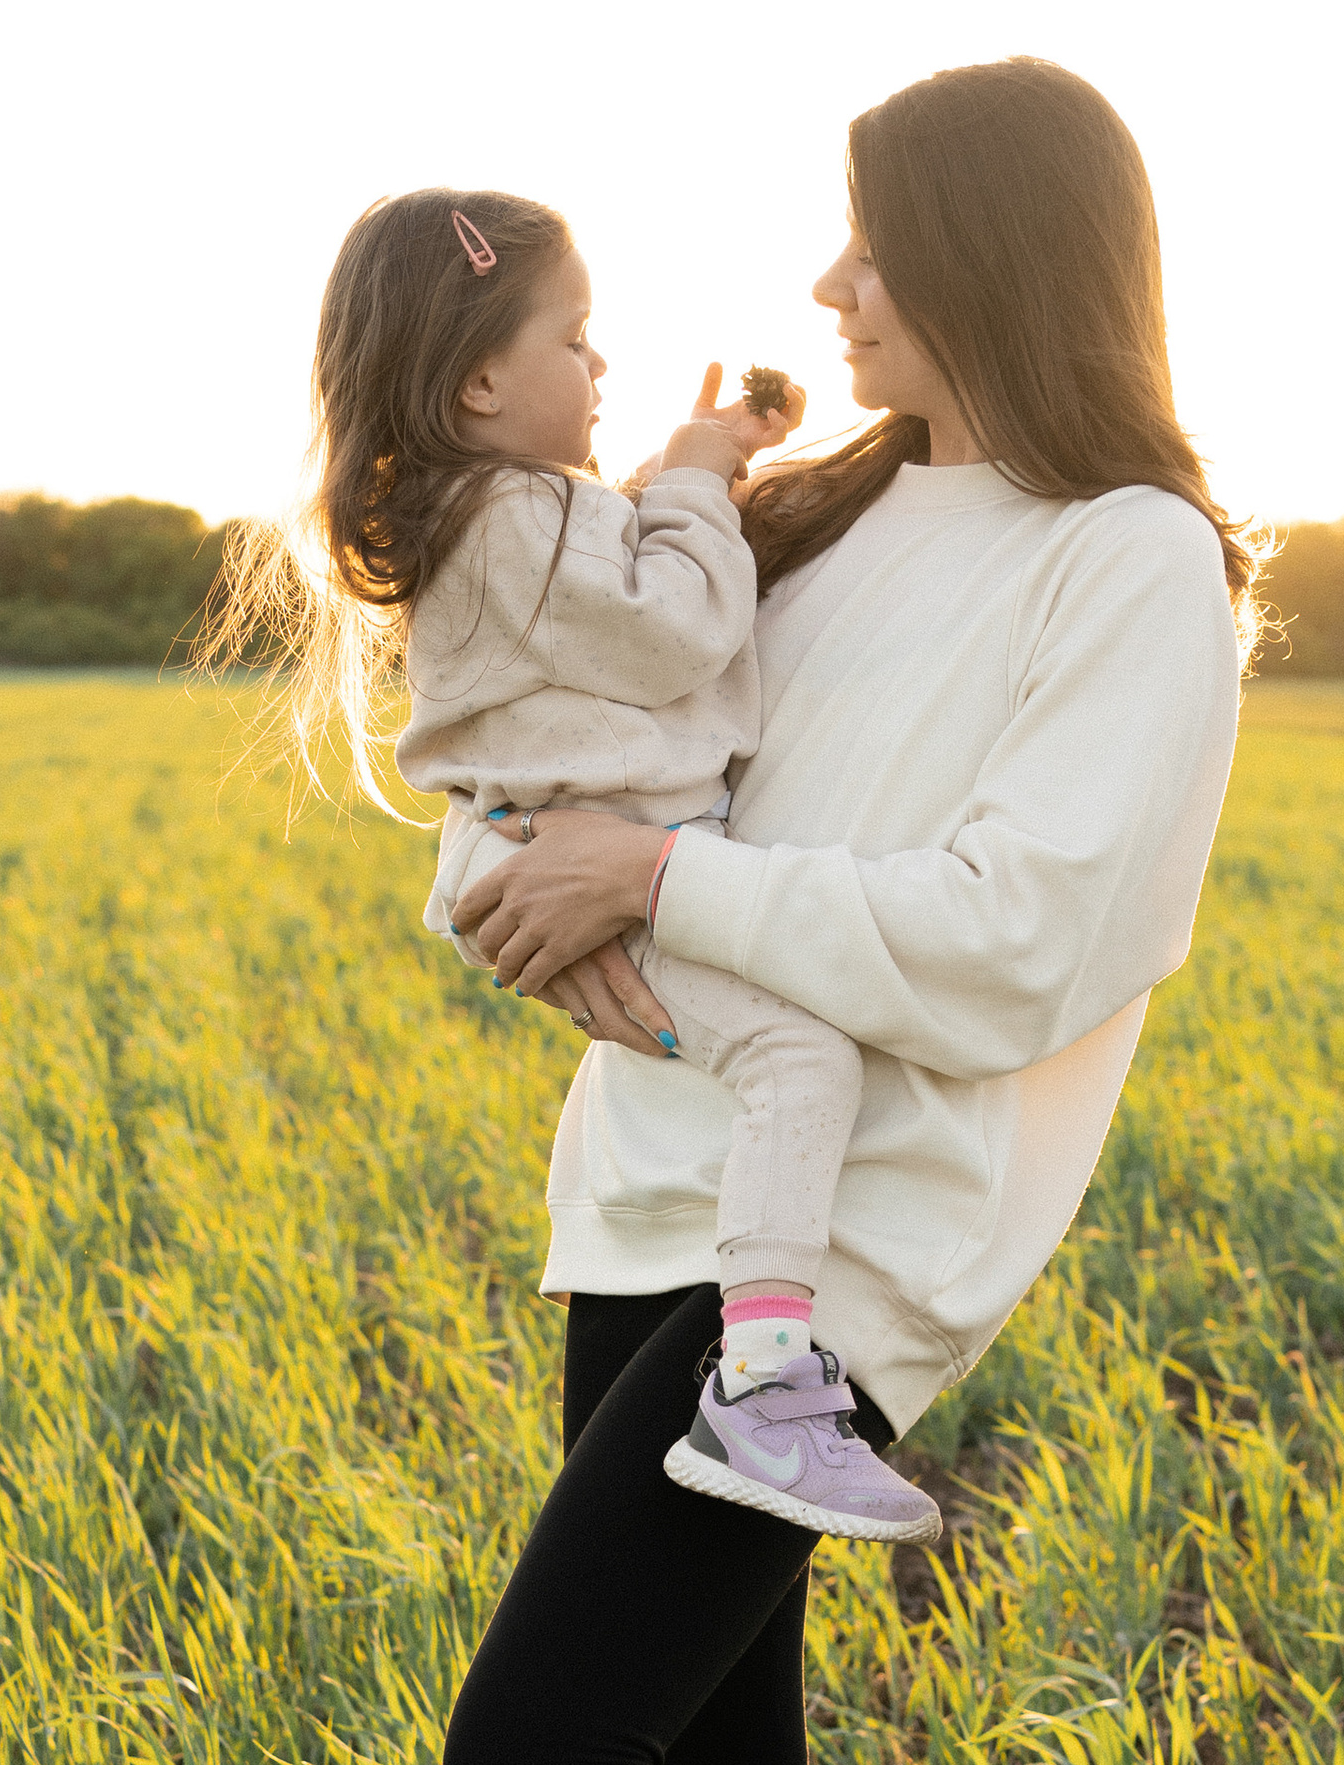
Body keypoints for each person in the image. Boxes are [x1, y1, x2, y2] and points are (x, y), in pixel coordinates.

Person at [435, 57, 1259, 1765]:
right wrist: (538, 851)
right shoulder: (839, 514)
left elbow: (1029, 932)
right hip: (641, 1186)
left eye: (872, 245)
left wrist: (662, 876)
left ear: (993, 254)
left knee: (534, 1760)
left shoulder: (1136, 563)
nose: (828, 289)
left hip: (841, 1255)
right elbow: (613, 750)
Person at [246, 181, 943, 1546]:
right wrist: (693, 480)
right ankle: (763, 1383)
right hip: (605, 862)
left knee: (779, 1063)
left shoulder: (492, 515)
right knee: (803, 1061)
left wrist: (701, 457)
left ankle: (756, 1365)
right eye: (574, 338)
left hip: (550, 858)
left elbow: (615, 594)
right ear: (477, 382)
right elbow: (677, 628)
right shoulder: (510, 514)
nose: (599, 364)